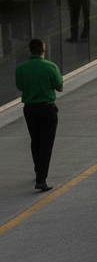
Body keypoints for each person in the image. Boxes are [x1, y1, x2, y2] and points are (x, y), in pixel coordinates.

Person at [15, 38, 63, 191]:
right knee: (46, 143)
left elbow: (20, 86)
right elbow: (59, 87)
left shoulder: (21, 69)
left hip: (29, 109)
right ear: (44, 49)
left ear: (30, 50)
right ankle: (41, 179)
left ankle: (38, 171)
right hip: (47, 109)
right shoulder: (51, 67)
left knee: (35, 140)